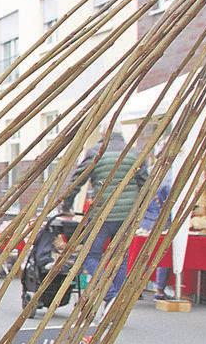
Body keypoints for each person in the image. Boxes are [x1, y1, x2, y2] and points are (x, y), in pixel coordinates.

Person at [61, 132, 145, 310]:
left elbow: (77, 180)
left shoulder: (95, 152)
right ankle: (116, 302)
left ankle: (110, 295)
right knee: (120, 256)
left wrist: (66, 206)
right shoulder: (135, 153)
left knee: (90, 256)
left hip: (102, 214)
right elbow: (145, 181)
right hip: (127, 215)